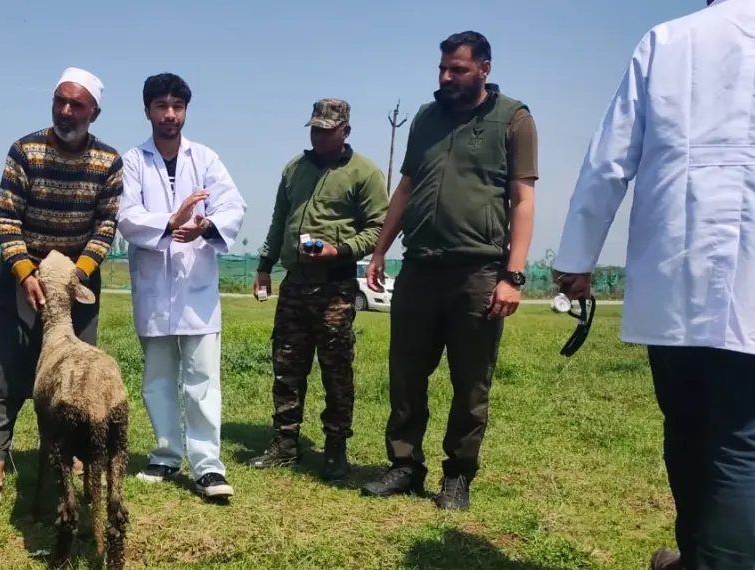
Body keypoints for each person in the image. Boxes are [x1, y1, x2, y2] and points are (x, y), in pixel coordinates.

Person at [553, 2, 755, 568]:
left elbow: (608, 160)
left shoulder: (669, 41)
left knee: (693, 431)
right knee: (740, 441)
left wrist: (576, 257)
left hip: (678, 276)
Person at [360, 31, 538, 511]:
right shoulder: (427, 116)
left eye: (457, 69)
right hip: (420, 267)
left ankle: (457, 477)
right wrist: (380, 251)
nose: (446, 77)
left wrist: (513, 275)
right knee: (406, 374)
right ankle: (404, 465)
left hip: (478, 273)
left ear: (484, 68)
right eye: (442, 68)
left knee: (471, 382)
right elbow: (407, 186)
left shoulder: (513, 120)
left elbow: (523, 200)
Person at [0, 67, 122, 510]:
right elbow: (6, 217)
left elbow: (106, 226)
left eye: (76, 104)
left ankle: (72, 455)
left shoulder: (108, 162)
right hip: (23, 275)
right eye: (60, 100)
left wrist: (75, 275)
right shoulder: (25, 150)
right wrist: (25, 273)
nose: (65, 110)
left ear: (94, 112)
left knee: (75, 374)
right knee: (8, 368)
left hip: (76, 277)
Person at [117, 73, 247, 500]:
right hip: (154, 287)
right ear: (148, 110)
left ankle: (208, 465)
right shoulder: (134, 161)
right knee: (157, 378)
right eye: (161, 106)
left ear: (186, 111)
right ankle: (165, 454)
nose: (170, 114)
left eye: (177, 106)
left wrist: (204, 224)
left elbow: (232, 205)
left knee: (203, 379)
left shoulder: (205, 158)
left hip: (197, 289)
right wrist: (171, 222)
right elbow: (126, 215)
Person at [248, 98, 389, 482]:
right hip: (295, 286)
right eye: (315, 129)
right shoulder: (294, 169)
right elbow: (279, 221)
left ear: (345, 131)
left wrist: (339, 250)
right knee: (287, 368)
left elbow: (379, 228)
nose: (319, 136)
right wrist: (264, 266)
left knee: (336, 371)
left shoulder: (365, 173)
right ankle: (285, 444)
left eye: (327, 130)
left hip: (335, 288)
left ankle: (335, 450)